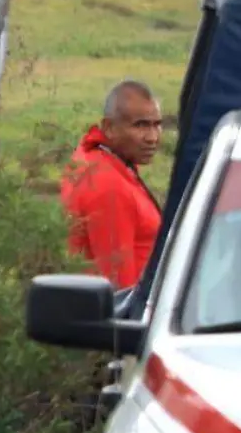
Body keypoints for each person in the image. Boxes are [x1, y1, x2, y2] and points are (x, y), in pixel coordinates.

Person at [60, 79, 164, 290]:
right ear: (109, 128)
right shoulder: (109, 186)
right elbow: (117, 285)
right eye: (140, 125)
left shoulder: (99, 158)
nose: (152, 137)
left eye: (157, 124)